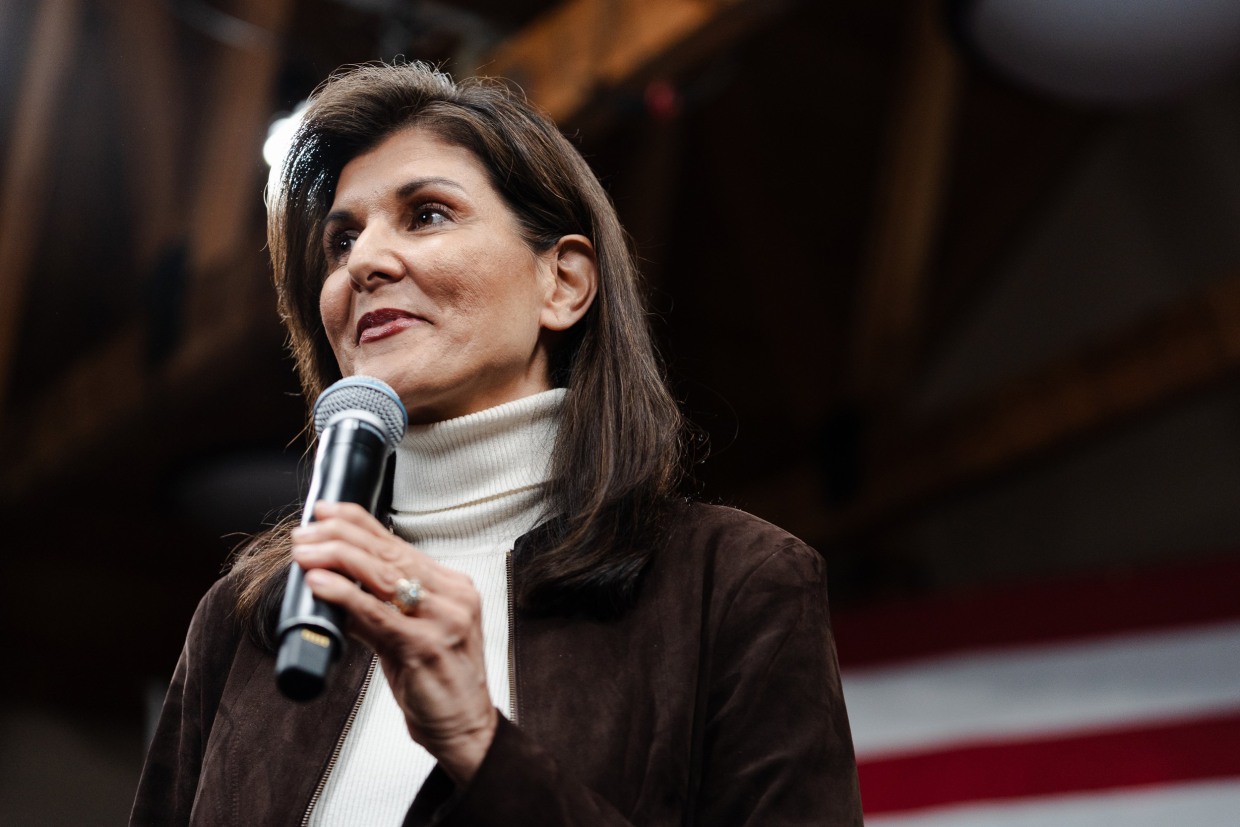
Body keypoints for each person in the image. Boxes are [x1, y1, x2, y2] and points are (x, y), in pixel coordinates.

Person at [131, 60, 863, 826]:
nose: (365, 264)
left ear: (564, 284)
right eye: (342, 239)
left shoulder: (734, 585)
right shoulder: (246, 620)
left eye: (427, 215)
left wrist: (481, 744)